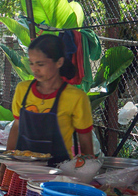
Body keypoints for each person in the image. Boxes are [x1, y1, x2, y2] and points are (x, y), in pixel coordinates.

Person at [6, 34, 94, 164]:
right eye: (31, 63)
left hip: (58, 173)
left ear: (59, 62)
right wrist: (6, 163)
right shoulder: (22, 90)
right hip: (21, 170)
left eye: (40, 64)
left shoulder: (77, 98)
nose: (35, 69)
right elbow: (16, 127)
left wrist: (85, 172)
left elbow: (86, 143)